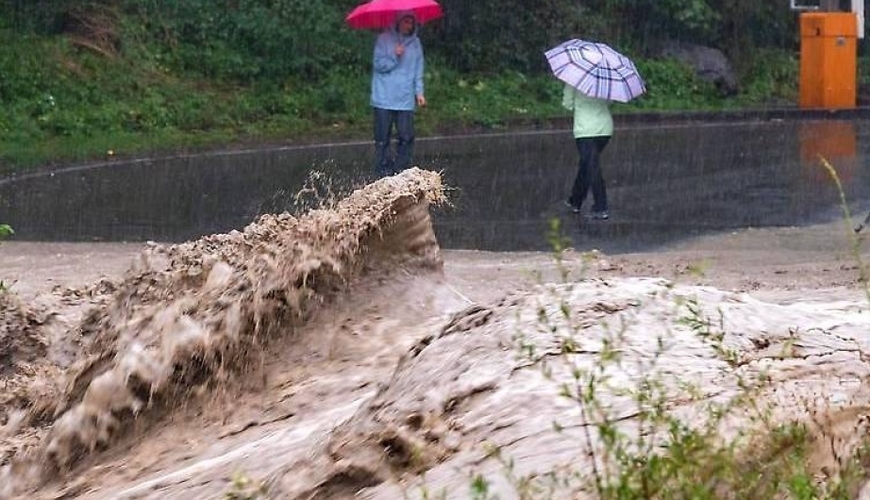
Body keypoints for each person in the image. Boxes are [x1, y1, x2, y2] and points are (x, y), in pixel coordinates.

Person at [370, 11, 426, 178]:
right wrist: (395, 55)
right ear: (398, 22)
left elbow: (418, 70)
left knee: (406, 136)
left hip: (405, 98)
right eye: (406, 21)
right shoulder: (384, 40)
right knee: (382, 138)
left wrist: (419, 92)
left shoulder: (416, 43)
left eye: (411, 22)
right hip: (384, 97)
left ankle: (401, 169)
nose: (409, 25)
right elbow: (379, 65)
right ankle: (383, 171)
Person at [563, 83, 613, 220]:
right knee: (587, 164)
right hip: (605, 129)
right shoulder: (604, 78)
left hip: (585, 130)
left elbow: (567, 103)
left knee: (591, 166)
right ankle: (575, 200)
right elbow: (609, 101)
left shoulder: (574, 79)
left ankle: (601, 206)